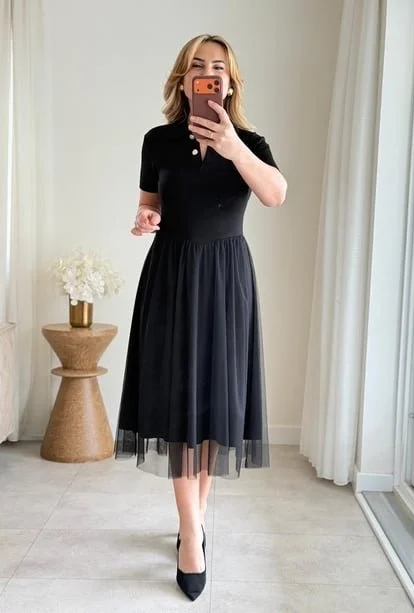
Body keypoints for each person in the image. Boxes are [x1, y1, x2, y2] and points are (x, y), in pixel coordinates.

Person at [114, 33, 287, 601]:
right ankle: (191, 533)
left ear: (229, 83)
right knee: (178, 402)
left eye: (218, 68)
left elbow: (275, 194)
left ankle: (197, 518)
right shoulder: (158, 140)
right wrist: (144, 220)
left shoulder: (250, 142)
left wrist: (233, 146)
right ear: (184, 80)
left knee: (212, 407)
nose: (208, 74)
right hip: (171, 277)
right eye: (197, 66)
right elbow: (150, 205)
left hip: (226, 281)